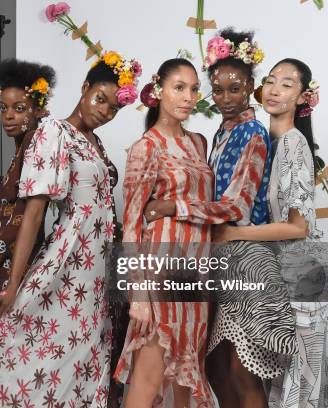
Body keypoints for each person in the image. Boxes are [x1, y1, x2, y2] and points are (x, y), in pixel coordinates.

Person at [0, 50, 141, 407]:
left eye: (113, 108)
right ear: (85, 87)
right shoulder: (54, 131)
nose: (104, 111)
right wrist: (14, 285)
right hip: (70, 267)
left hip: (100, 275)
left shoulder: (97, 144)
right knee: (39, 357)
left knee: (82, 366)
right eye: (100, 99)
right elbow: (33, 211)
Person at [145, 28, 298, 408]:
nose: (227, 97)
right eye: (218, 89)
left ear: (251, 87)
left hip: (246, 259)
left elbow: (236, 207)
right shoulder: (219, 135)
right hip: (219, 259)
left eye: (236, 88)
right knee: (214, 368)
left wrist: (173, 207)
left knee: (238, 370)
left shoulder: (253, 133)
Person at [215, 58, 328, 408]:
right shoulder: (265, 139)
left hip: (300, 280)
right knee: (255, 377)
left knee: (296, 389)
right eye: (271, 81)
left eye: (287, 84)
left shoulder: (294, 143)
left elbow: (298, 226)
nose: (275, 89)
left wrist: (235, 235)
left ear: (302, 97)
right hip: (273, 274)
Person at [115, 57, 215, 408]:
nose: (188, 97)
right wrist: (139, 296)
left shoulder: (200, 143)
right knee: (147, 383)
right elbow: (130, 225)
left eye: (193, 89)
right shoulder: (148, 146)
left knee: (186, 384)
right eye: (178, 88)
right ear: (158, 91)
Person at [0, 59, 56, 349]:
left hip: (14, 264)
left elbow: (22, 215)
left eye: (19, 108)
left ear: (38, 109)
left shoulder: (33, 146)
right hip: (12, 260)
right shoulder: (24, 148)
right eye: (3, 108)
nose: (8, 116)